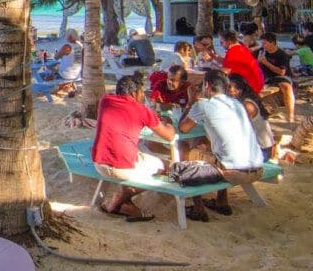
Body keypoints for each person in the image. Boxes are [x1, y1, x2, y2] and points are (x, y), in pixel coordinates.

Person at [178, 69, 264, 222]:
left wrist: (191, 101)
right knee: (212, 148)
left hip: (235, 171)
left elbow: (183, 128)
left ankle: (198, 208)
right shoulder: (237, 103)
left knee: (183, 149)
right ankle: (221, 200)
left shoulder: (203, 105)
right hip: (257, 167)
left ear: (206, 85)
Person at [92, 73, 175, 221]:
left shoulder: (105, 100)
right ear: (134, 93)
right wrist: (169, 123)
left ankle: (127, 204)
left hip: (99, 163)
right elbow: (169, 136)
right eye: (141, 92)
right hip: (122, 168)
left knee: (136, 152)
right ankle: (119, 200)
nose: (143, 96)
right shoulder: (141, 110)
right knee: (166, 167)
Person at [227, 74, 275, 161]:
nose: (232, 90)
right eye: (229, 87)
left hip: (261, 150)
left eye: (236, 87)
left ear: (242, 88)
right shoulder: (239, 102)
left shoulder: (247, 105)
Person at [257, 32, 295, 122]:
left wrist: (266, 63)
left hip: (281, 76)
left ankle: (290, 115)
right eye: (262, 43)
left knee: (286, 87)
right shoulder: (262, 52)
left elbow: (281, 72)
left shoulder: (282, 54)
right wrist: (258, 61)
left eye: (265, 43)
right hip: (267, 77)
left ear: (273, 43)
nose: (263, 46)